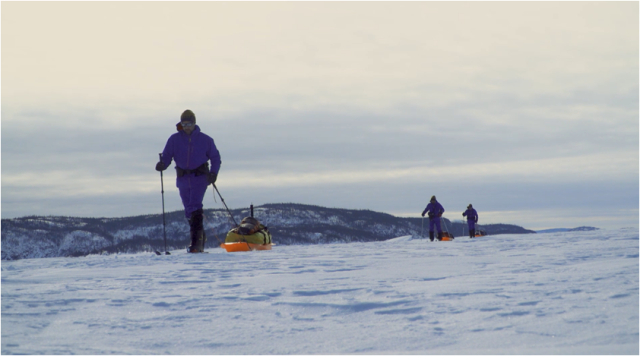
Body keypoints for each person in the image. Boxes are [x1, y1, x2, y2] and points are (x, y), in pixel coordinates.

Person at [155, 110, 221, 253]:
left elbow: (215, 158)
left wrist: (213, 173)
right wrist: (162, 165)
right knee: (188, 210)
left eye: (189, 124)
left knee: (195, 206)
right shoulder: (174, 139)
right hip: (183, 178)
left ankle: (196, 244)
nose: (186, 127)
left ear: (194, 123)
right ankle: (200, 236)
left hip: (200, 178)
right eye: (184, 124)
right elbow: (167, 156)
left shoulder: (206, 140)